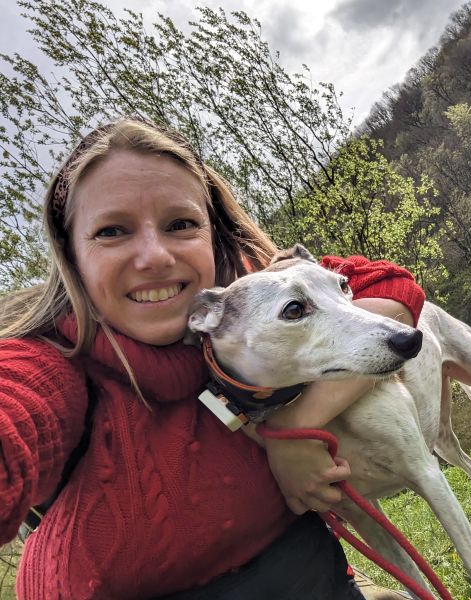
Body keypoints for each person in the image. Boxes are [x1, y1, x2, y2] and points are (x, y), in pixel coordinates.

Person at [0, 116, 425, 599]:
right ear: (71, 257)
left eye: (180, 224)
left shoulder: (253, 307)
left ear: (214, 234)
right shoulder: (47, 360)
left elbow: (393, 290)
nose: (155, 257)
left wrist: (292, 427)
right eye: (112, 231)